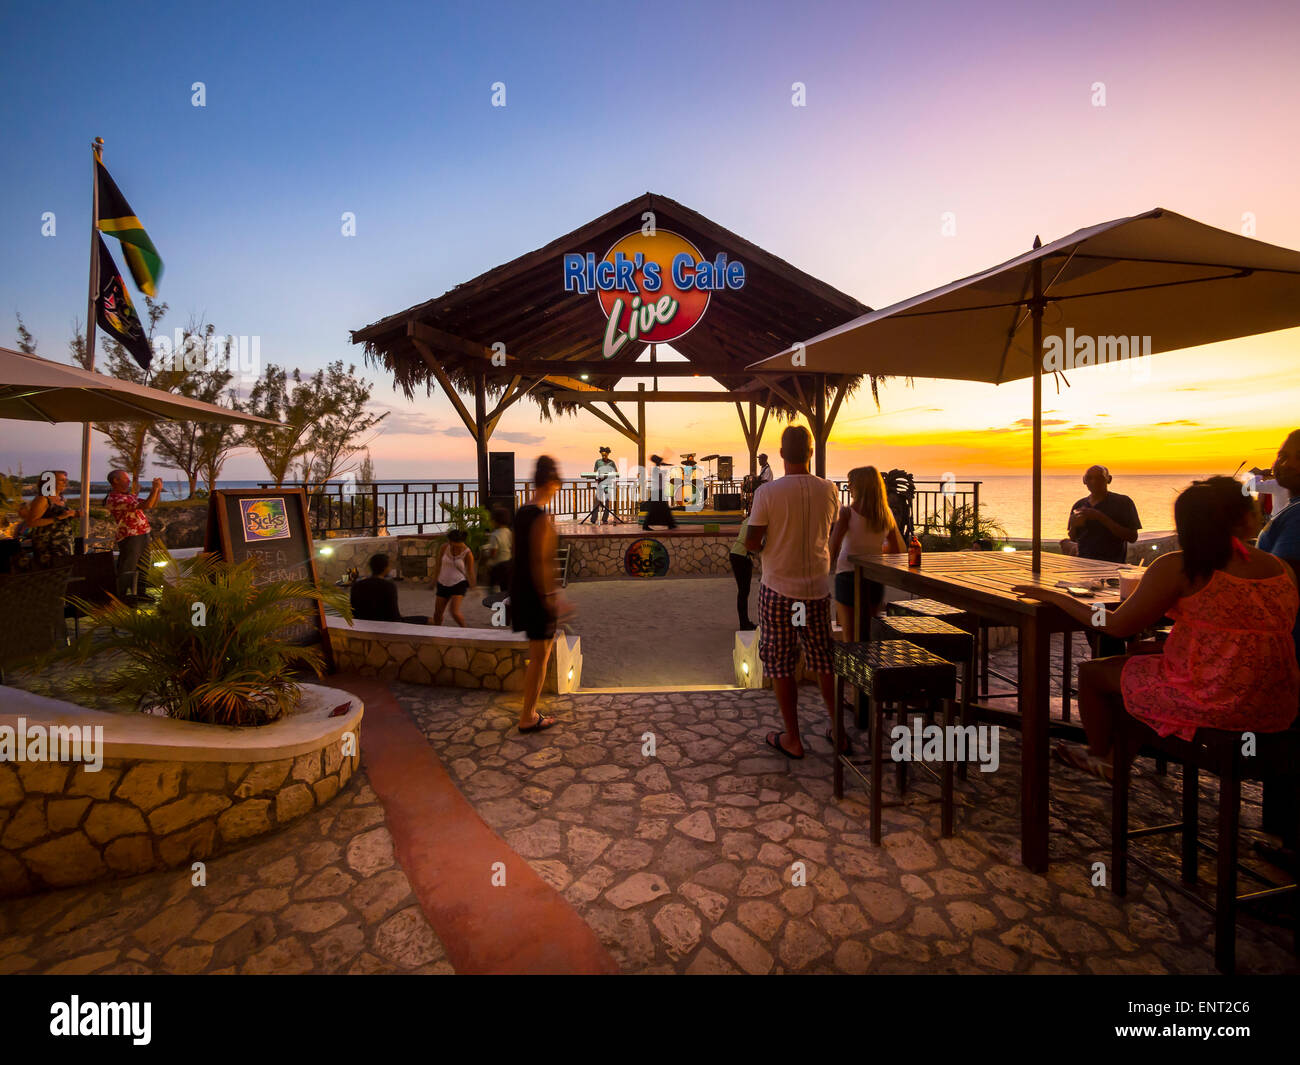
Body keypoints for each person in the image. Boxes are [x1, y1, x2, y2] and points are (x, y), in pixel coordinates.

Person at [1013, 476, 1299, 781]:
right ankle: (1118, 751)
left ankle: (1102, 758)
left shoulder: (1182, 565)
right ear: (1245, 519)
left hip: (1217, 702)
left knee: (1094, 673)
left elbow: (1115, 625)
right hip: (1276, 704)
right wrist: (1167, 647)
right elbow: (1243, 638)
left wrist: (1054, 596)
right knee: (1142, 667)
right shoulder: (1281, 569)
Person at [745, 425, 842, 757]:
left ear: (782, 454)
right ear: (811, 453)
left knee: (781, 663)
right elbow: (827, 529)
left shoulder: (767, 494)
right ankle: (839, 732)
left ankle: (793, 739)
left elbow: (752, 542)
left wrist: (773, 544)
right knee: (825, 661)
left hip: (778, 589)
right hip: (816, 588)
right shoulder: (829, 490)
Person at [511, 456, 573, 732]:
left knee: (537, 656)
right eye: (557, 484)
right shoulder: (541, 518)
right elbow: (543, 562)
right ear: (550, 482)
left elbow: (522, 557)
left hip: (521, 590)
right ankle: (528, 716)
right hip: (537, 595)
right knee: (540, 658)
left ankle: (530, 711)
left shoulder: (521, 513)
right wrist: (551, 597)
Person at [829, 466, 904, 639]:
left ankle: (852, 666)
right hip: (874, 579)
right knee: (868, 636)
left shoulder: (847, 512)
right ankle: (869, 666)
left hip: (847, 577)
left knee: (850, 636)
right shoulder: (886, 515)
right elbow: (897, 551)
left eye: (850, 485)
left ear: (859, 487)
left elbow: (832, 549)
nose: (849, 489)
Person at [1062, 464, 1141, 562]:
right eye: (1089, 478)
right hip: (1083, 563)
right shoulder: (1079, 505)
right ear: (1084, 480)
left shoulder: (1123, 502)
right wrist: (1074, 526)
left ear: (1109, 479)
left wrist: (1100, 517)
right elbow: (1073, 538)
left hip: (1112, 564)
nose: (1094, 482)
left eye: (1099, 478)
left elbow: (1132, 537)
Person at [105, 470, 162, 597]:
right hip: (130, 536)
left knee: (143, 565)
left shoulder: (128, 496)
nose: (129, 481)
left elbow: (151, 504)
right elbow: (146, 505)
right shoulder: (115, 498)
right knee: (128, 566)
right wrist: (154, 489)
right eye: (125, 478)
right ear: (116, 480)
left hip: (143, 533)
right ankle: (121, 596)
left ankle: (140, 593)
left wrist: (158, 490)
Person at [350, 553, 429, 624]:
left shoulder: (357, 585)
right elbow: (394, 617)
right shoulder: (388, 586)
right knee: (429, 620)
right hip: (386, 625)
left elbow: (353, 611)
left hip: (362, 623)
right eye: (389, 565)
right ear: (385, 568)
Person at [24, 470, 78, 569]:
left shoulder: (60, 498)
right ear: (49, 482)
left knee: (64, 573)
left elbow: (59, 521)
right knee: (53, 574)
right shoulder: (43, 499)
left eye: (66, 480)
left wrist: (72, 515)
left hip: (63, 543)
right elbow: (31, 522)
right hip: (49, 545)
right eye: (61, 480)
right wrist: (59, 517)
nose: (65, 483)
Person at [432, 528, 475, 626]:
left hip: (459, 583)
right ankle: (437, 633)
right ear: (449, 542)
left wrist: (473, 586)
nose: (456, 549)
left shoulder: (468, 554)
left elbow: (470, 571)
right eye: (453, 546)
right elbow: (438, 565)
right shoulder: (444, 548)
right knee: (437, 614)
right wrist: (434, 580)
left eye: (459, 546)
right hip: (442, 582)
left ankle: (465, 632)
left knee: (454, 612)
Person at [480, 505, 514, 603]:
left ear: (495, 521)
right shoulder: (508, 532)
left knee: (492, 585)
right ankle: (506, 602)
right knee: (505, 587)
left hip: (498, 565)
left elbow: (493, 552)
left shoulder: (495, 535)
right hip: (508, 563)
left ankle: (494, 601)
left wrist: (487, 556)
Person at [729, 516, 757, 630]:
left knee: (743, 592)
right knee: (743, 592)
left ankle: (744, 622)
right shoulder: (756, 521)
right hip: (741, 556)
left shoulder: (748, 520)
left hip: (735, 554)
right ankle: (744, 623)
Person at [642, 454, 677, 530]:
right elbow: (661, 475)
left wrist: (664, 464)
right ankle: (670, 524)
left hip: (658, 491)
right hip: (657, 491)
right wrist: (664, 464)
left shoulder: (656, 468)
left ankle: (670, 524)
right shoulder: (655, 469)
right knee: (659, 509)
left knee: (662, 508)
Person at [587, 446, 618, 523]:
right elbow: (595, 472)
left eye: (605, 455)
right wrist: (597, 478)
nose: (604, 456)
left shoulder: (612, 463)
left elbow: (616, 473)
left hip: (607, 484)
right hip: (600, 484)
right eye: (602, 455)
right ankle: (593, 519)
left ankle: (605, 519)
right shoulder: (598, 462)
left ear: (608, 454)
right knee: (596, 501)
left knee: (607, 501)